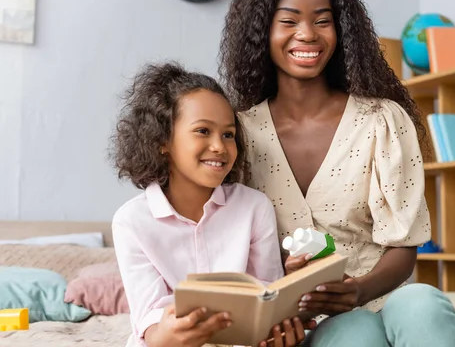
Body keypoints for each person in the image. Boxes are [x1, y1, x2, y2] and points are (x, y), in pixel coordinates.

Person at [219, 0, 455, 347]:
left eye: (322, 20)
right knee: (352, 333)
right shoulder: (236, 134)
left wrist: (358, 290)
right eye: (288, 21)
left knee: (422, 302)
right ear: (261, 32)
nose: (307, 34)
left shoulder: (381, 120)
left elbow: (403, 247)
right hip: (293, 325)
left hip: (383, 301)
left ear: (341, 31)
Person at [109, 62, 313, 347]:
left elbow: (268, 291)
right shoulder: (132, 221)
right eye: (203, 131)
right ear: (162, 141)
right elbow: (150, 321)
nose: (220, 146)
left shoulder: (254, 207)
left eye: (228, 134)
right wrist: (168, 335)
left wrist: (280, 324)